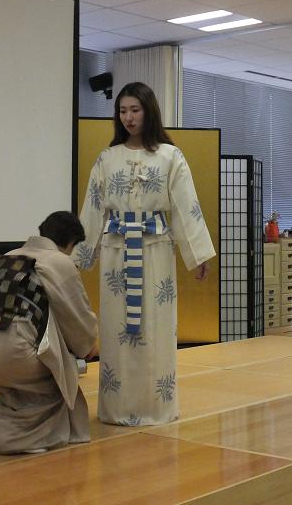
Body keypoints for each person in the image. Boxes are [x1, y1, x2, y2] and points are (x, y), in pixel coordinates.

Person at [73, 82, 215, 426]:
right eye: (123, 111)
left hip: (154, 252)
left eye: (135, 110)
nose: (129, 117)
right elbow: (93, 207)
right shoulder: (107, 158)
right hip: (116, 251)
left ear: (149, 111)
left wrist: (198, 254)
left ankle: (156, 406)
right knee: (116, 328)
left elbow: (185, 206)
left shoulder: (170, 156)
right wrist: (78, 257)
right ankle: (116, 407)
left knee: (156, 328)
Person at [0, 211, 98, 454]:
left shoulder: (9, 255)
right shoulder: (58, 261)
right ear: (71, 242)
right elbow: (77, 317)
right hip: (8, 352)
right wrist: (88, 344)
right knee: (58, 384)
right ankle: (14, 440)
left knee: (18, 392)